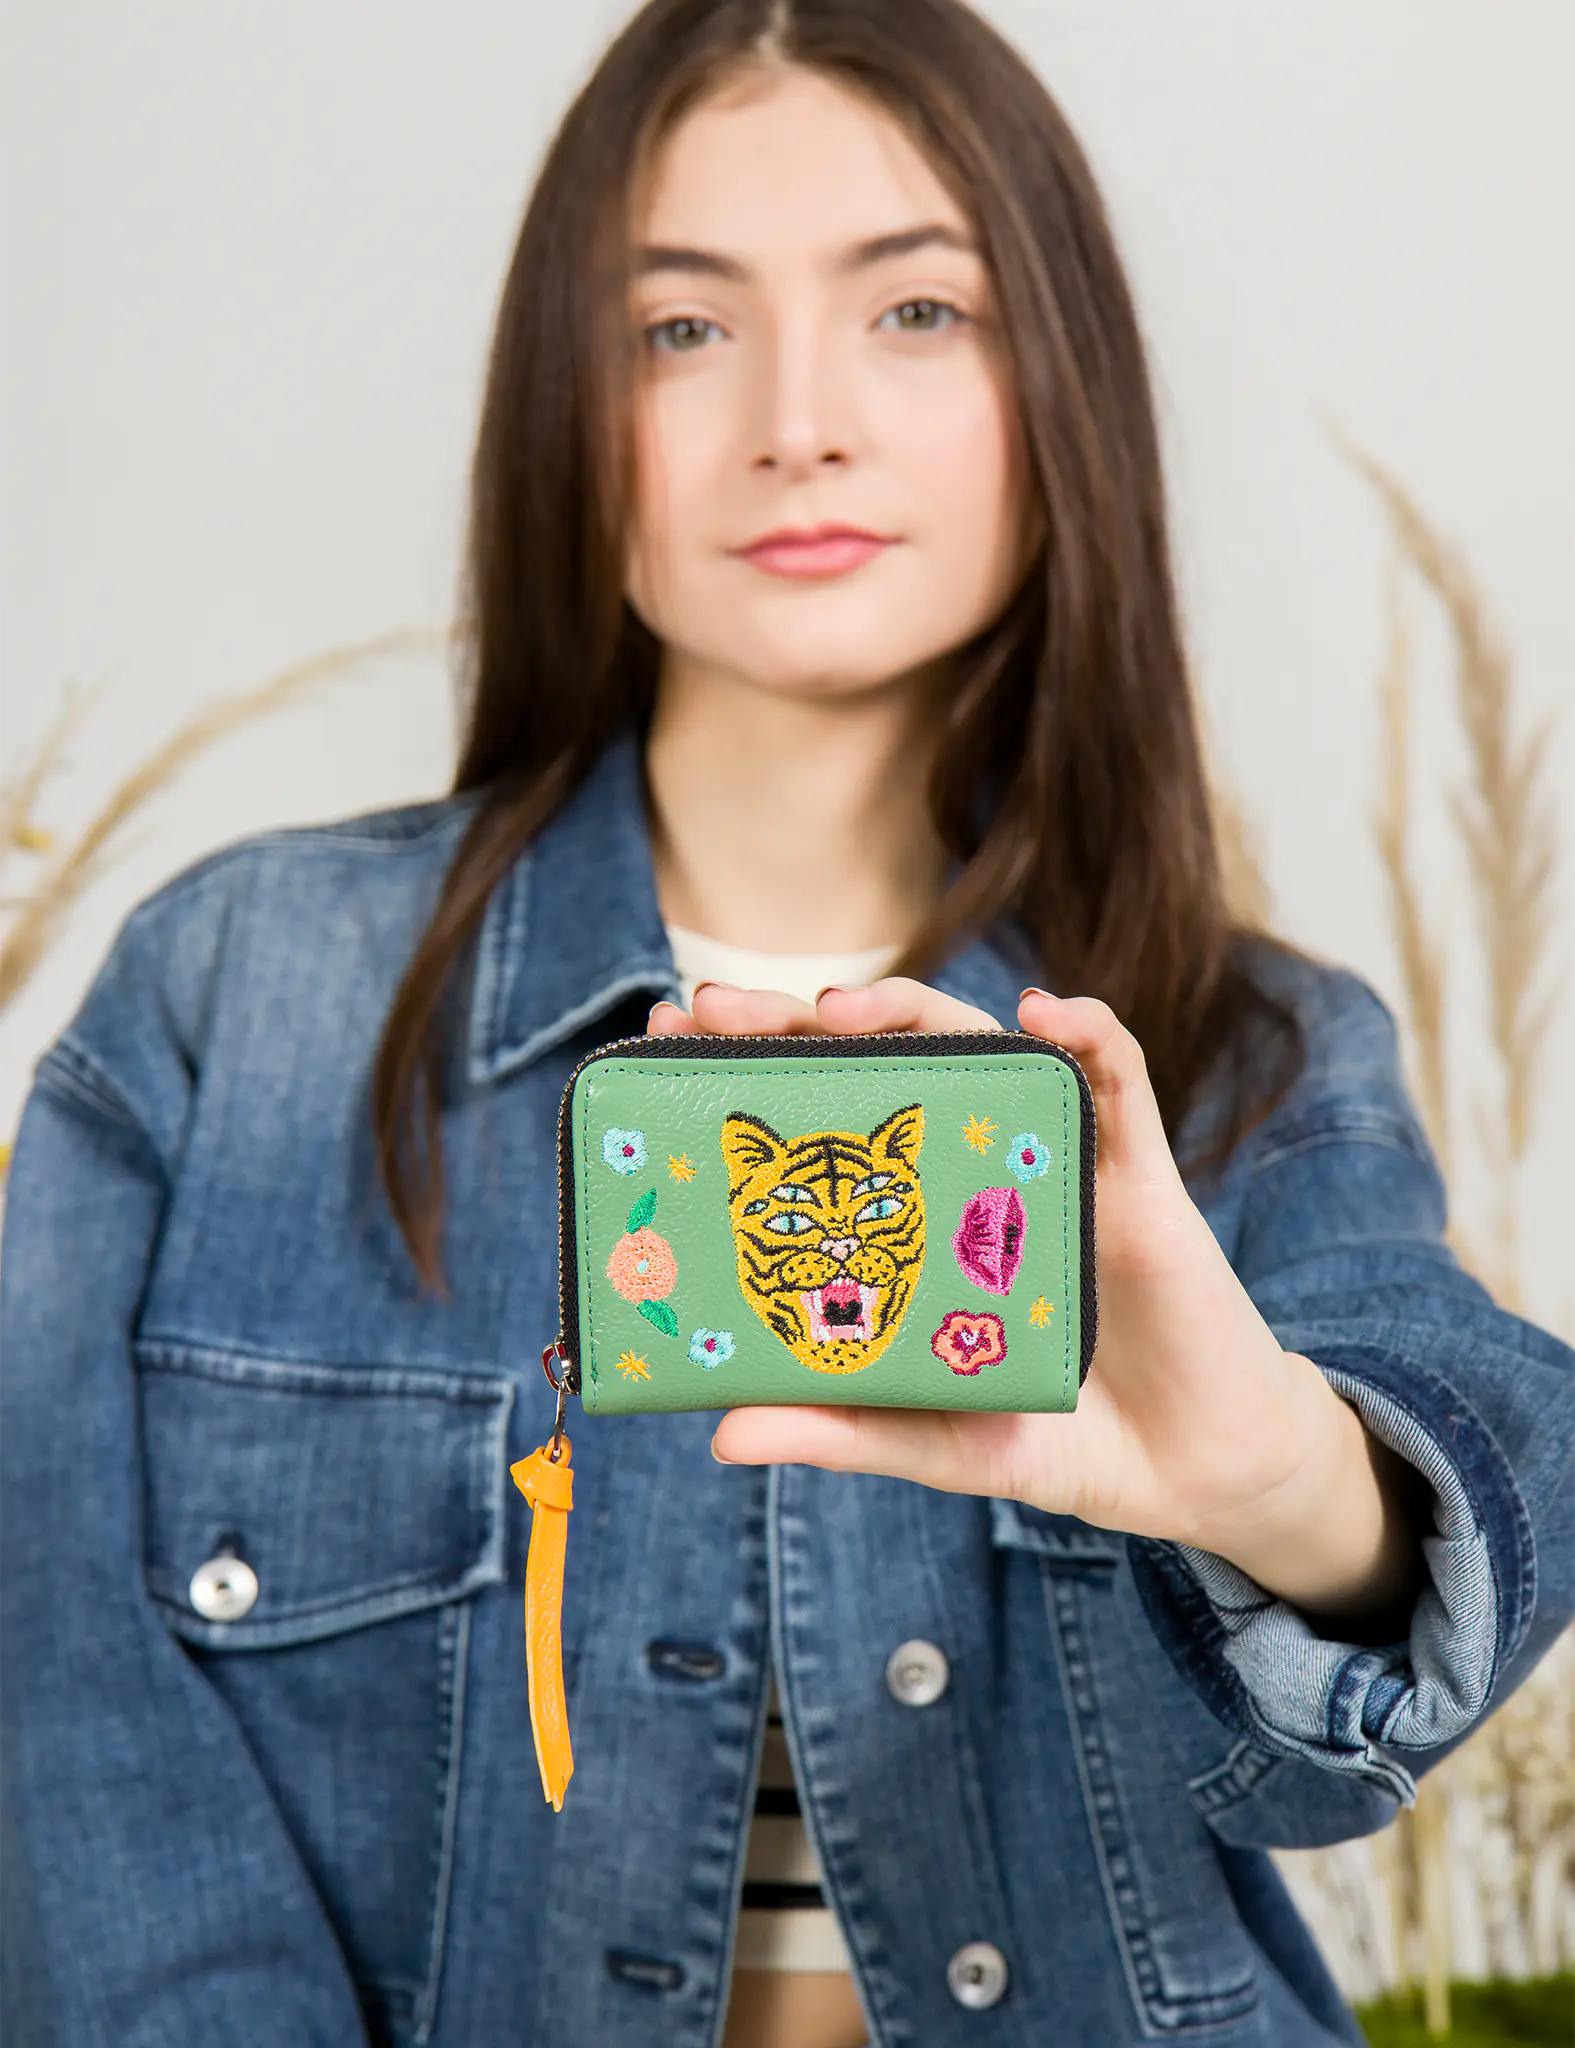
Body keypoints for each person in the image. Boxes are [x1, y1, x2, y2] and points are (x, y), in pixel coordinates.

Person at [3, 1, 1572, 2043]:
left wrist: (1275, 1476)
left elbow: (1348, 1697)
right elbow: (75, 1749)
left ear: (1056, 382)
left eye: (915, 311)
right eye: (681, 329)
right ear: (565, 407)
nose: (794, 421)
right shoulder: (230, 1007)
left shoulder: (1245, 1055)